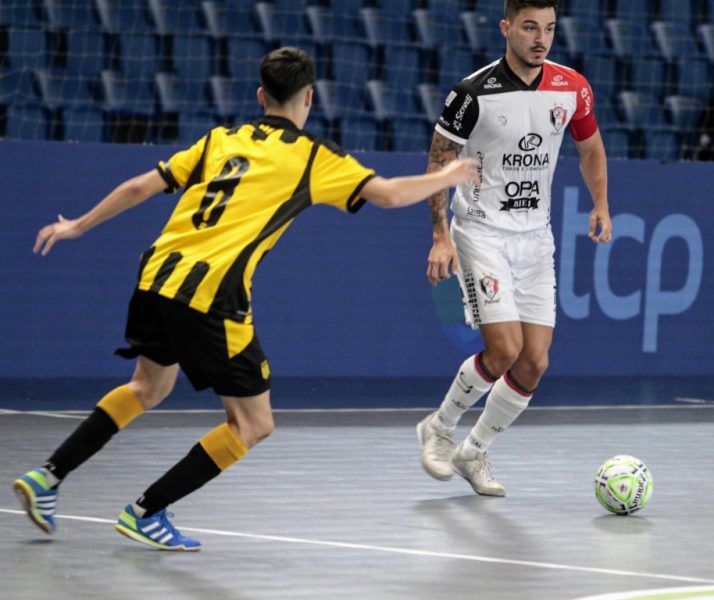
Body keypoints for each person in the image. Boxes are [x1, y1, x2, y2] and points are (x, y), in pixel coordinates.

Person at [13, 47, 475, 551]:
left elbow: (139, 185)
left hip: (156, 279)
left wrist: (78, 224)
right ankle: (147, 511)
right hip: (212, 296)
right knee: (254, 423)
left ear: (261, 96)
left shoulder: (221, 140)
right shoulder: (313, 156)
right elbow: (386, 194)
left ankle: (47, 477)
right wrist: (447, 177)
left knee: (146, 386)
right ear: (309, 98)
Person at [415, 0, 612, 497]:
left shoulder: (572, 87)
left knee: (534, 362)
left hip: (535, 238)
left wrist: (601, 204)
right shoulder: (472, 94)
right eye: (529, 27)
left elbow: (589, 146)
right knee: (504, 349)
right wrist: (441, 235)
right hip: (481, 233)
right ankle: (438, 428)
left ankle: (473, 450)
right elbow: (440, 157)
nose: (540, 37)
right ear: (507, 28)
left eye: (548, 27)